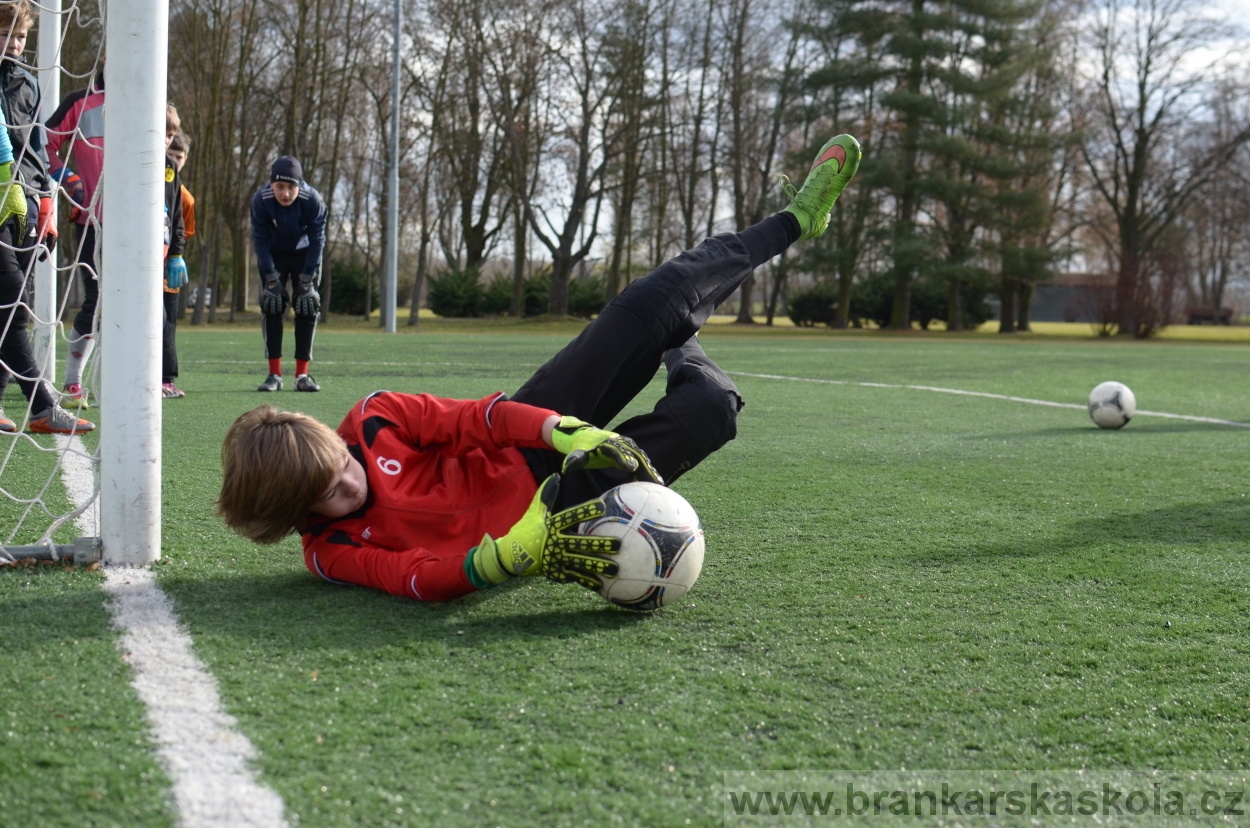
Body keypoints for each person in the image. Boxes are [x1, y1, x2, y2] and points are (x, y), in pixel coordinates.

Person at [217, 134, 861, 602]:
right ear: (294, 513)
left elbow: (481, 420)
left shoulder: (373, 417)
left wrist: (559, 430)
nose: (349, 482)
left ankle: (794, 220)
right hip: (556, 513)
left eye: (340, 464)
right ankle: (680, 345)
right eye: (329, 493)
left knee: (655, 296)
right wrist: (500, 561)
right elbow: (413, 578)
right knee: (713, 410)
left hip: (530, 439)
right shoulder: (329, 552)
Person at [0, 96, 93, 434]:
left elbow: (34, 146)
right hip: (6, 196)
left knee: (11, 307)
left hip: (21, 202)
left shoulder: (25, 83)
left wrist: (44, 198)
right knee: (14, 303)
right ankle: (42, 407)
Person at [44, 61, 103, 405]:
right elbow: (43, 142)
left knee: (140, 303)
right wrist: (68, 179)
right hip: (92, 221)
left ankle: (139, 377)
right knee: (96, 301)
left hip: (140, 226)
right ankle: (73, 381)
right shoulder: (79, 102)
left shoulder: (149, 103)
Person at [250, 155, 327, 393]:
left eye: (291, 187)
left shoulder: (312, 200)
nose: (285, 193)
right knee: (271, 305)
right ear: (271, 184)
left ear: (299, 184)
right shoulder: (261, 200)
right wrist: (271, 277)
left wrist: (307, 278)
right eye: (280, 186)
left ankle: (302, 376)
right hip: (274, 254)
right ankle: (274, 375)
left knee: (307, 305)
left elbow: (318, 240)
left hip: (305, 254)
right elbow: (260, 241)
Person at [160, 104, 188, 399]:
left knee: (165, 318)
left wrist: (177, 254)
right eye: (163, 133)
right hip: (133, 253)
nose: (167, 140)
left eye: (171, 135)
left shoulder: (169, 168)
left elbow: (177, 215)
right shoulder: (131, 157)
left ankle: (165, 379)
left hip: (164, 255)